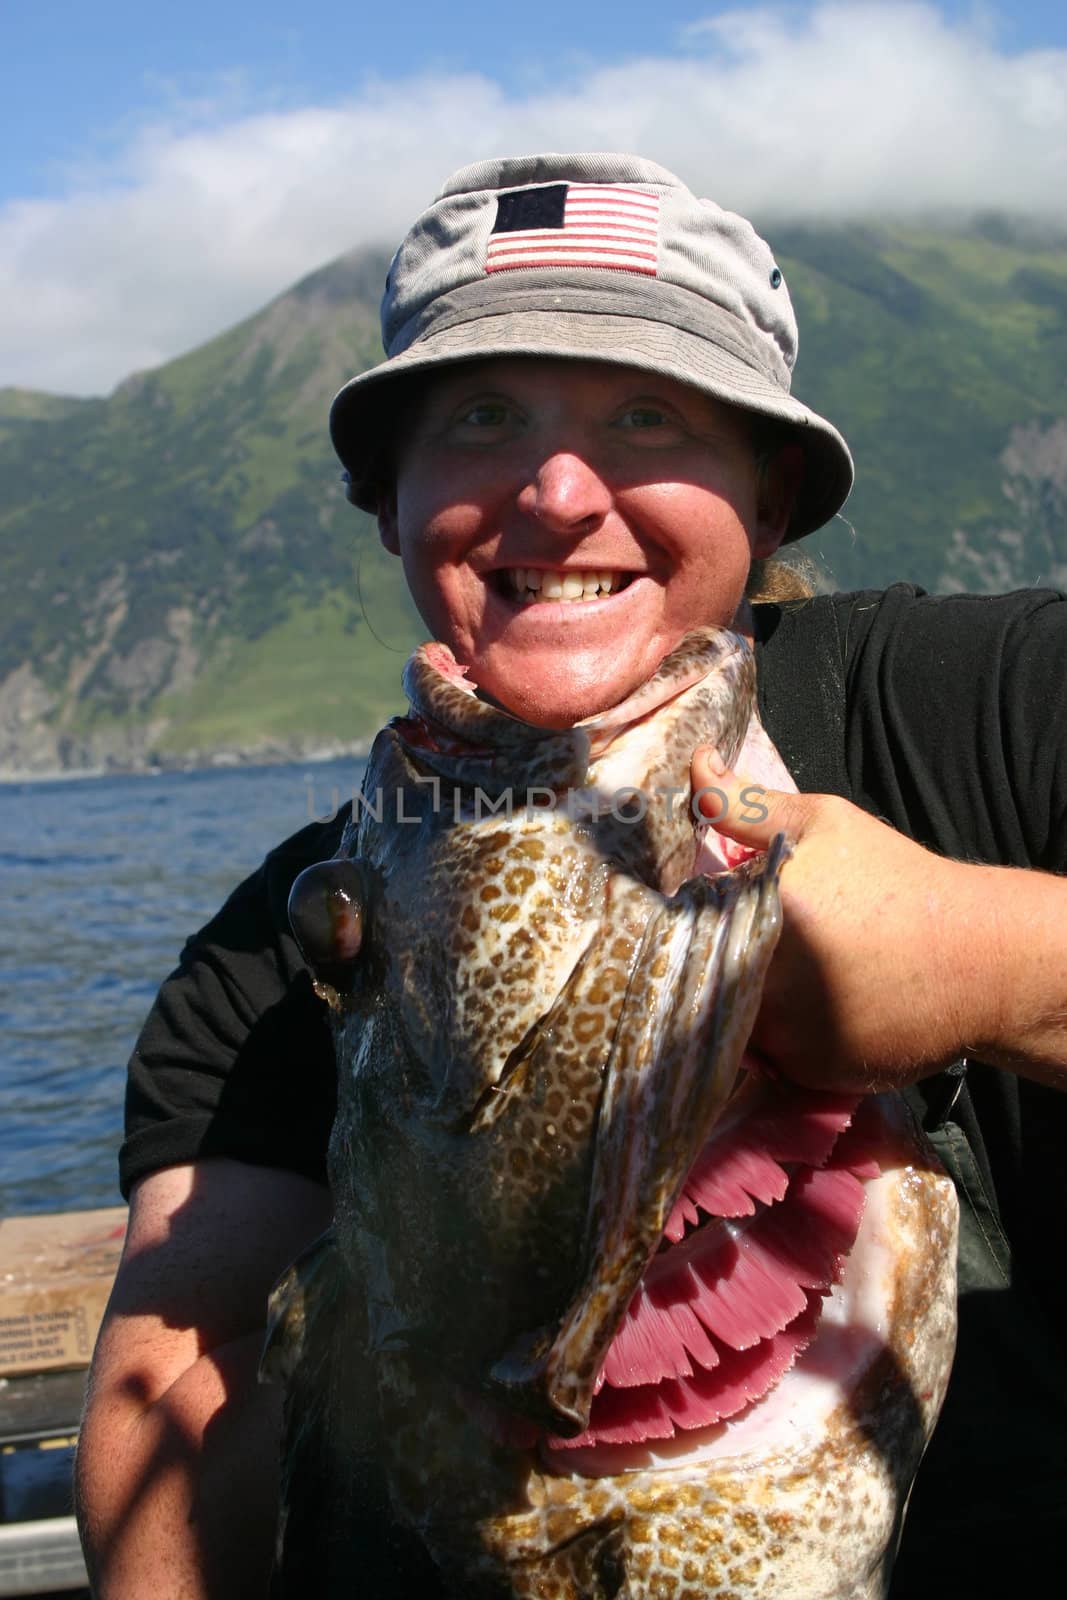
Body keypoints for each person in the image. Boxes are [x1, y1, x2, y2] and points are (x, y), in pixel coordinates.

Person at [74, 153, 1067, 1598]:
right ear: (387, 502)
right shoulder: (274, 954)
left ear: (769, 494)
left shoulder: (1000, 708)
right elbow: (187, 1358)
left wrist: (985, 962)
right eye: (482, 417)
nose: (555, 490)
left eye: (648, 417)